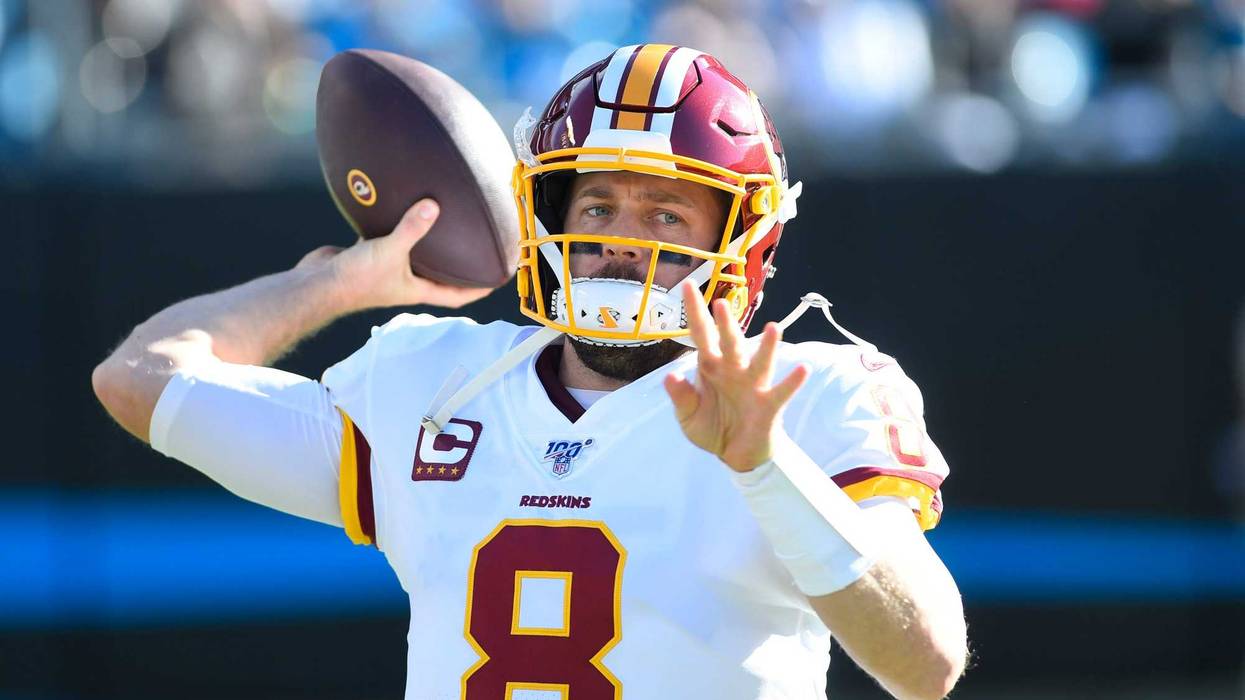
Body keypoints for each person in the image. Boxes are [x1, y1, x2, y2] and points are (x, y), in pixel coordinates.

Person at [93, 45, 968, 700]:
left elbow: (926, 665)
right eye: (597, 205)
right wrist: (340, 282)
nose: (621, 243)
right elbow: (138, 378)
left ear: (742, 243)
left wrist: (767, 467)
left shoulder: (811, 394)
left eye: (666, 214)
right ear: (546, 216)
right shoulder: (434, 382)